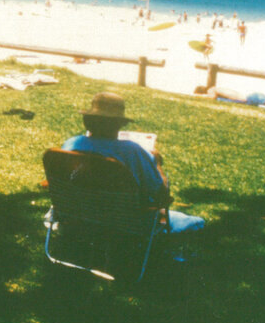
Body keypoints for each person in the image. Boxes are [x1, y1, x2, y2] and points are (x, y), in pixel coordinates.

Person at [62, 92, 204, 232]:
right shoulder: (131, 152)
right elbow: (161, 195)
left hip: (77, 219)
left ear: (87, 122)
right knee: (196, 222)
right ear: (119, 124)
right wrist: (157, 164)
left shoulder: (72, 145)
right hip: (125, 225)